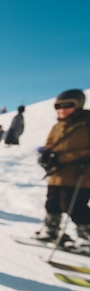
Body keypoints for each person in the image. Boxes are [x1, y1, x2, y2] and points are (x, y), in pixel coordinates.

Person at [35, 89, 90, 251]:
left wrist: (68, 158)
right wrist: (46, 156)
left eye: (67, 106)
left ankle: (85, 236)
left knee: (74, 205)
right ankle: (51, 230)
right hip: (57, 174)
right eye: (58, 107)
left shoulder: (86, 123)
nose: (62, 110)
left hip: (81, 174)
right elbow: (50, 145)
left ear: (78, 105)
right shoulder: (58, 126)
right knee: (52, 202)